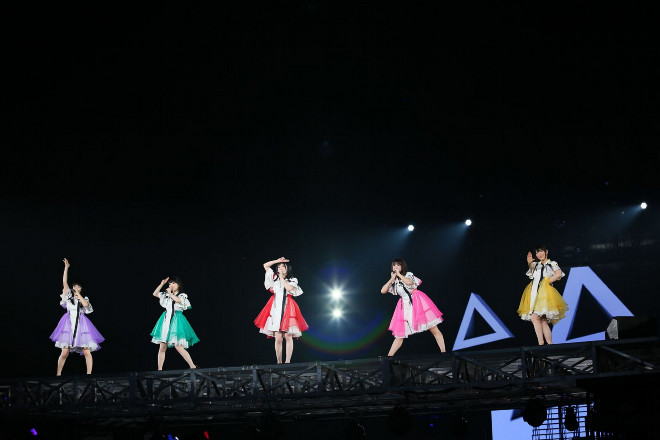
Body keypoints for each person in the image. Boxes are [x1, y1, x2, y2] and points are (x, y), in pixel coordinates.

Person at [49, 258, 105, 376]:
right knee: (64, 352)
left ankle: (89, 374)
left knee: (86, 351)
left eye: (78, 286)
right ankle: (58, 375)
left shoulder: (84, 298)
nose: (75, 288)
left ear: (81, 288)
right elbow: (64, 282)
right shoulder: (68, 296)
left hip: (81, 324)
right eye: (74, 286)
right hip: (68, 323)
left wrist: (79, 295)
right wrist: (66, 268)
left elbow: (86, 306)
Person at [381, 258, 446, 356]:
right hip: (405, 306)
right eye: (394, 265)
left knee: (433, 328)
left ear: (402, 266)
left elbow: (409, 283)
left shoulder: (408, 274)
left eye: (398, 265)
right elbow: (382, 291)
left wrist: (399, 275)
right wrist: (392, 279)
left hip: (417, 302)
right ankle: (388, 358)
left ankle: (444, 353)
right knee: (399, 335)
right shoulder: (394, 281)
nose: (395, 267)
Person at [254, 257, 309, 363]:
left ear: (287, 268)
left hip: (288, 307)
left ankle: (287, 362)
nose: (280, 268)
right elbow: (265, 265)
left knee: (288, 335)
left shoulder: (292, 279)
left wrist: (282, 278)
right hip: (276, 307)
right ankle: (279, 362)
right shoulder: (274, 278)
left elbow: (289, 288)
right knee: (278, 337)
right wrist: (278, 261)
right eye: (279, 267)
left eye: (283, 266)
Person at [517, 245, 569, 345]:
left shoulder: (552, 263)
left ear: (546, 252)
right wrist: (529, 263)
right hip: (533, 292)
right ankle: (549, 344)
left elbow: (558, 274)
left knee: (535, 318)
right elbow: (531, 271)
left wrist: (547, 282)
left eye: (541, 251)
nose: (539, 254)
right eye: (537, 252)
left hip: (544, 294)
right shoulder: (536, 265)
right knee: (542, 321)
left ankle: (541, 344)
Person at [150, 276, 199, 370]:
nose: (171, 285)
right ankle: (159, 370)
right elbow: (155, 293)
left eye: (173, 283)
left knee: (178, 346)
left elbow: (178, 300)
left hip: (176, 320)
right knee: (162, 346)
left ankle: (193, 366)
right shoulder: (166, 295)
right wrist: (162, 284)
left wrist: (170, 293)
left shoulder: (182, 295)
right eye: (170, 283)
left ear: (178, 285)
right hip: (166, 319)